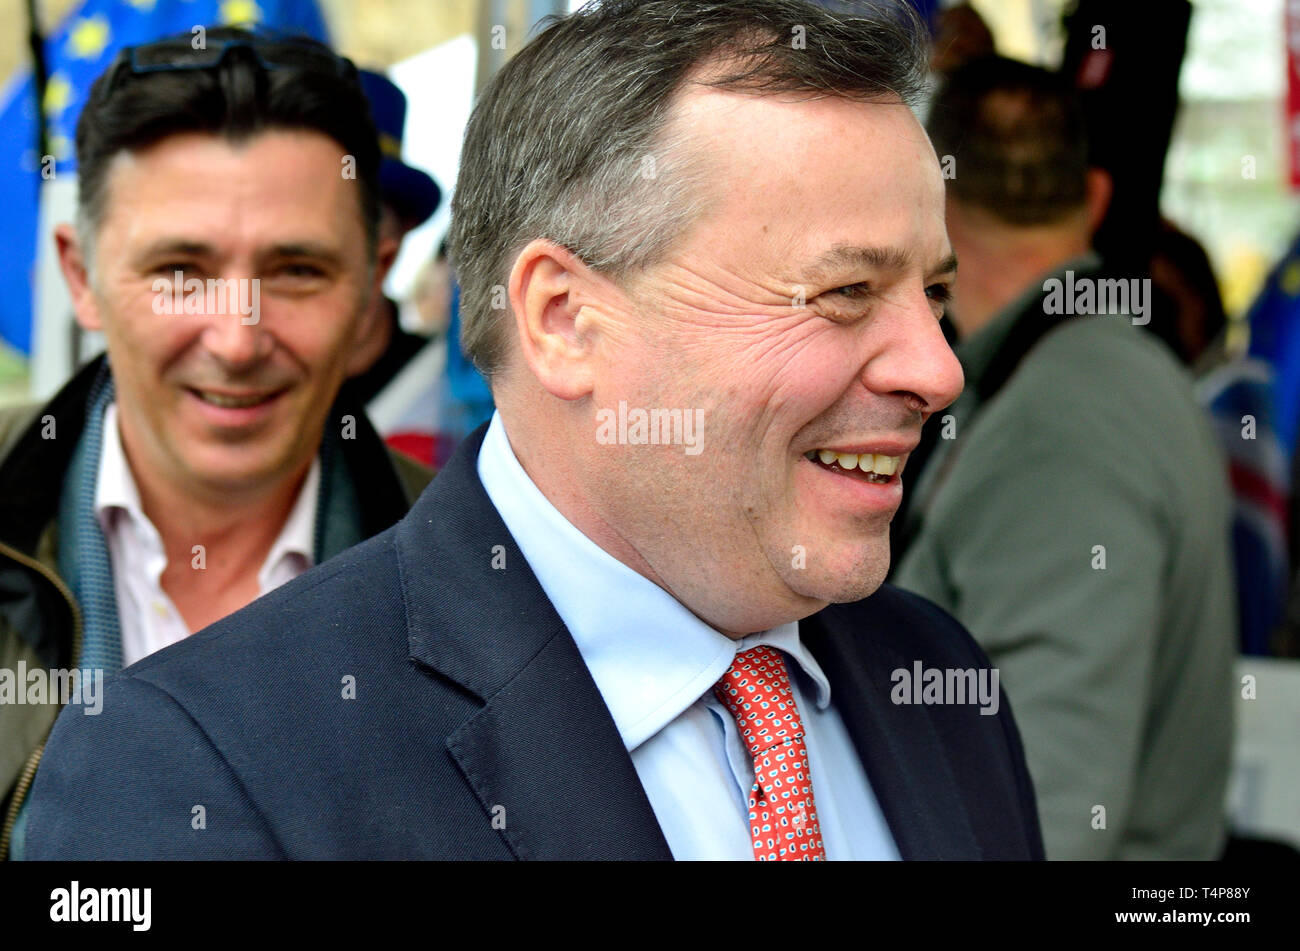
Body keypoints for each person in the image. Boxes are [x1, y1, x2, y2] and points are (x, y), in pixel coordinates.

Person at [26, 0, 1043, 861]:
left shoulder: (937, 681)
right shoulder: (193, 764)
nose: (938, 368)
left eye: (935, 291)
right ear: (563, 319)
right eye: (845, 291)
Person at [0, 28, 433, 860]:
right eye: (180, 271)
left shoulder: (481, 566)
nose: (237, 340)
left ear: (372, 277)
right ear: (80, 274)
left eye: (295, 270)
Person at [892, 56, 1236, 860]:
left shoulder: (1061, 423)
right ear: (1098, 197)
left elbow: (1049, 817)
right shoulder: (1116, 373)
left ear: (933, 205)